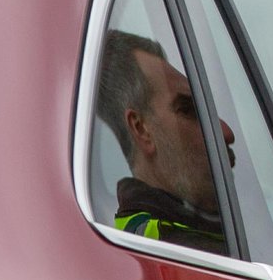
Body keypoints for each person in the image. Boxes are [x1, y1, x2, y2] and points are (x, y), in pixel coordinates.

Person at [97, 29, 229, 255]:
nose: (226, 132)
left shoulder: (126, 248)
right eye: (188, 111)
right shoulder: (175, 253)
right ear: (141, 129)